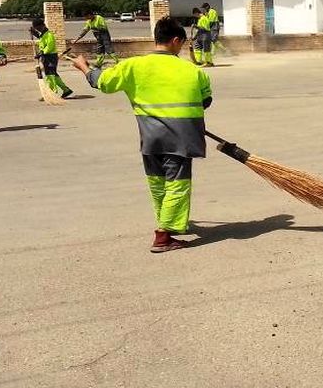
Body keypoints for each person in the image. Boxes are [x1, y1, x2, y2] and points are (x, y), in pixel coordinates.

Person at [72, 17, 213, 253]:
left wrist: (84, 67)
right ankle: (163, 236)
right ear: (176, 41)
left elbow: (103, 83)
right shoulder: (192, 70)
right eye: (182, 44)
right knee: (177, 184)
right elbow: (206, 100)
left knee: (157, 183)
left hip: (150, 137)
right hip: (180, 138)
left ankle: (166, 224)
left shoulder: (133, 66)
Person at [29, 17, 72, 98]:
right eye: (36, 29)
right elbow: (41, 39)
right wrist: (34, 33)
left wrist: (41, 53)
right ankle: (66, 90)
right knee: (53, 74)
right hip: (46, 56)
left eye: (38, 28)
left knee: (50, 75)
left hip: (50, 57)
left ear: (42, 26)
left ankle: (52, 92)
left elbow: (50, 46)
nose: (38, 30)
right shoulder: (43, 34)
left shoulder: (49, 35)